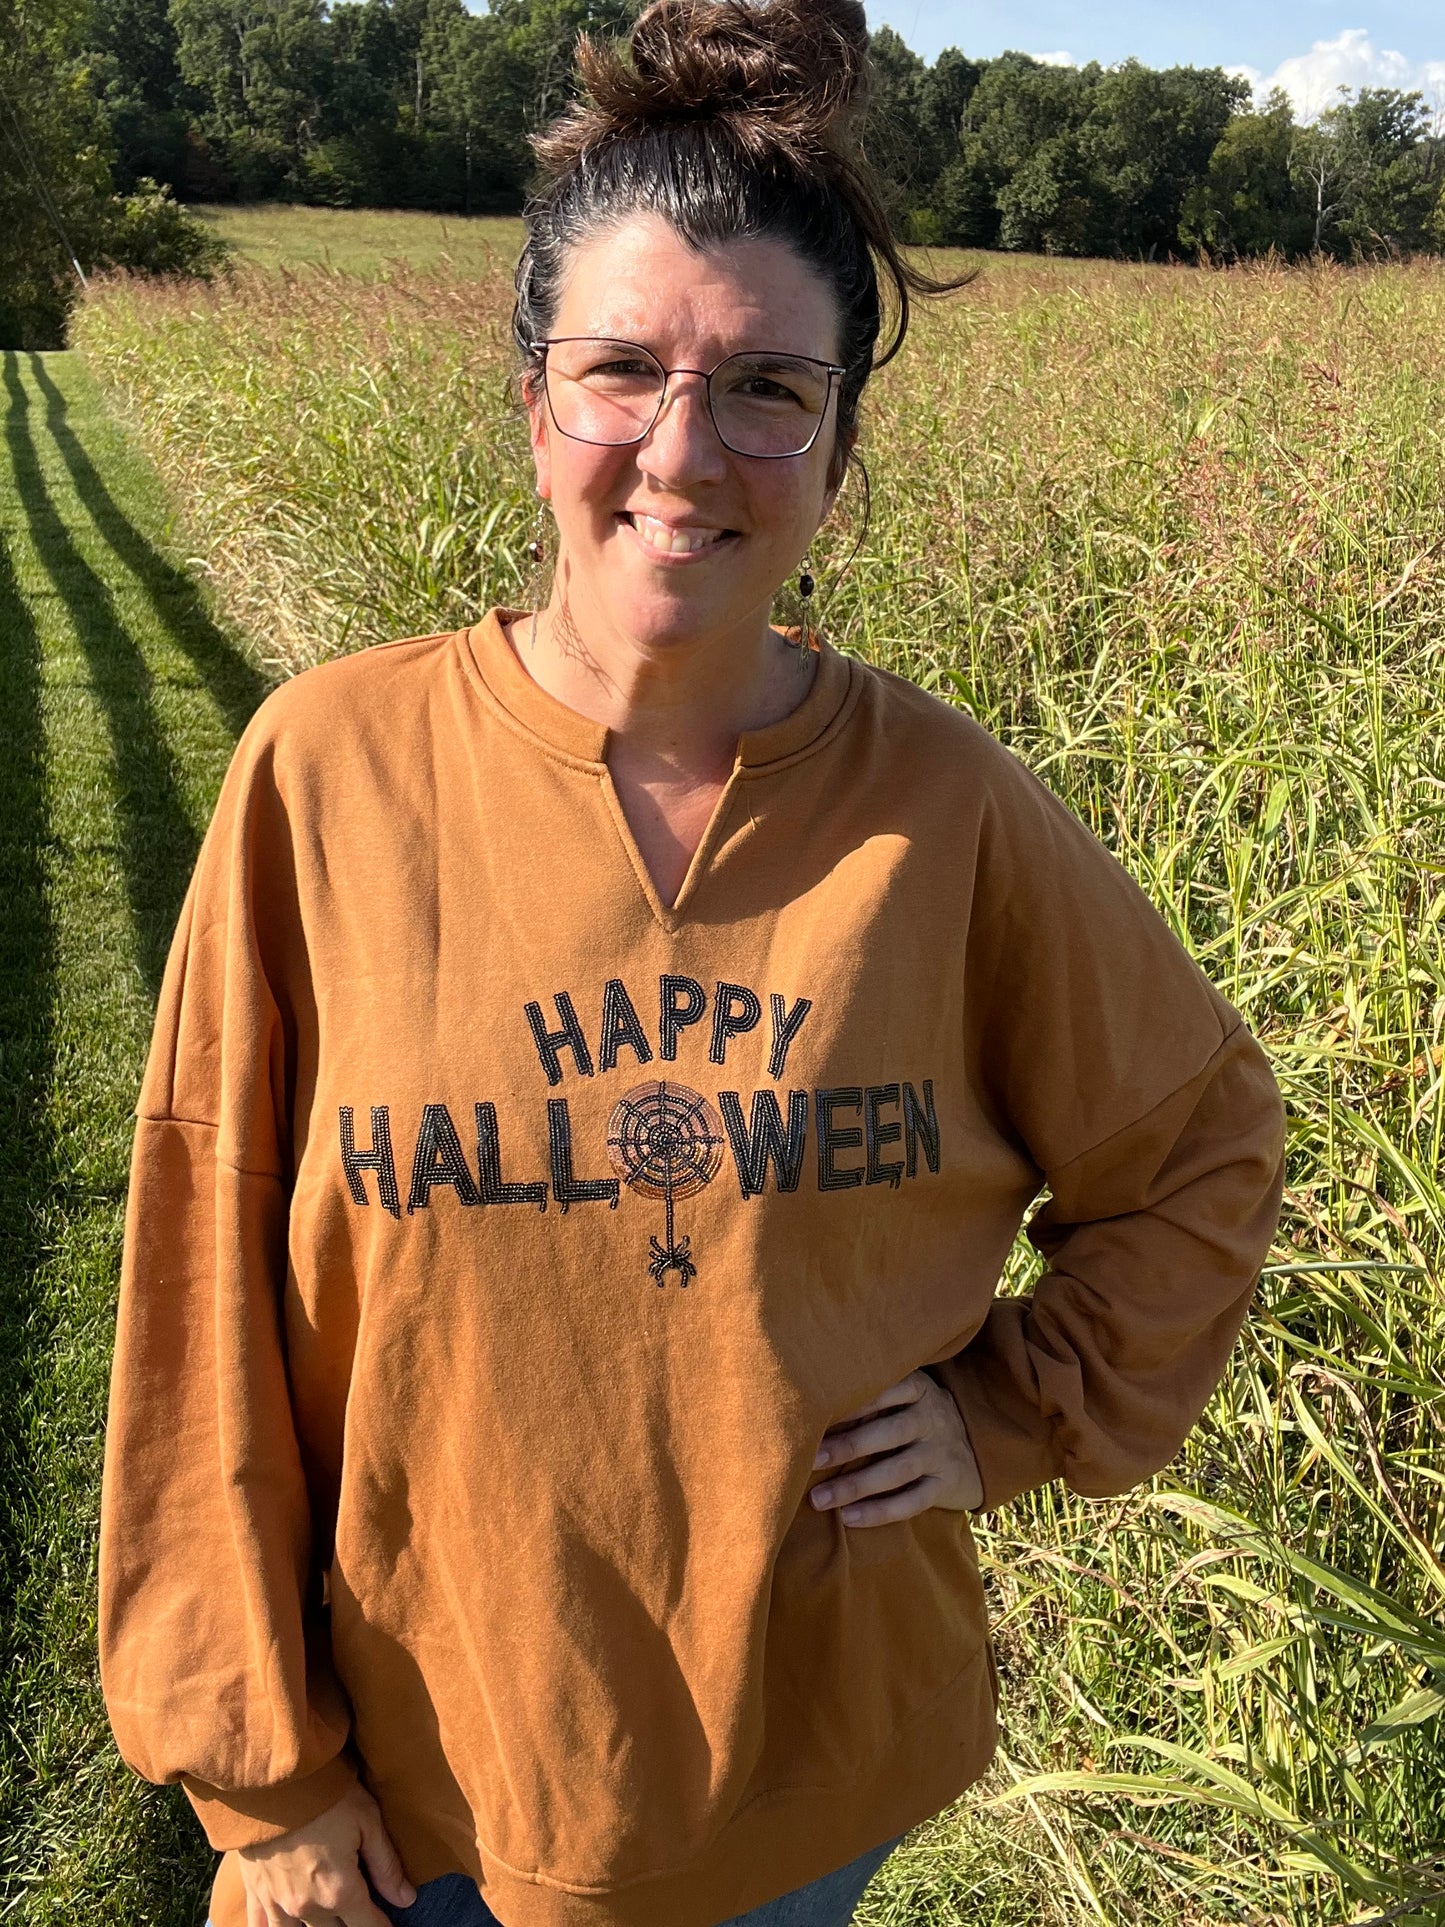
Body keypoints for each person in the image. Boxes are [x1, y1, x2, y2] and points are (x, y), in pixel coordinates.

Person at [97, 2, 1288, 1924]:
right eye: (621, 370)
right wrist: (262, 1783)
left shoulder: (942, 809)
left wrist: (1006, 1412)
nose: (684, 449)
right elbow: (199, 1292)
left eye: (764, 390)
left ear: (834, 439)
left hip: (801, 1780)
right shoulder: (331, 771)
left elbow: (1201, 1143)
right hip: (415, 1801)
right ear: (531, 395)